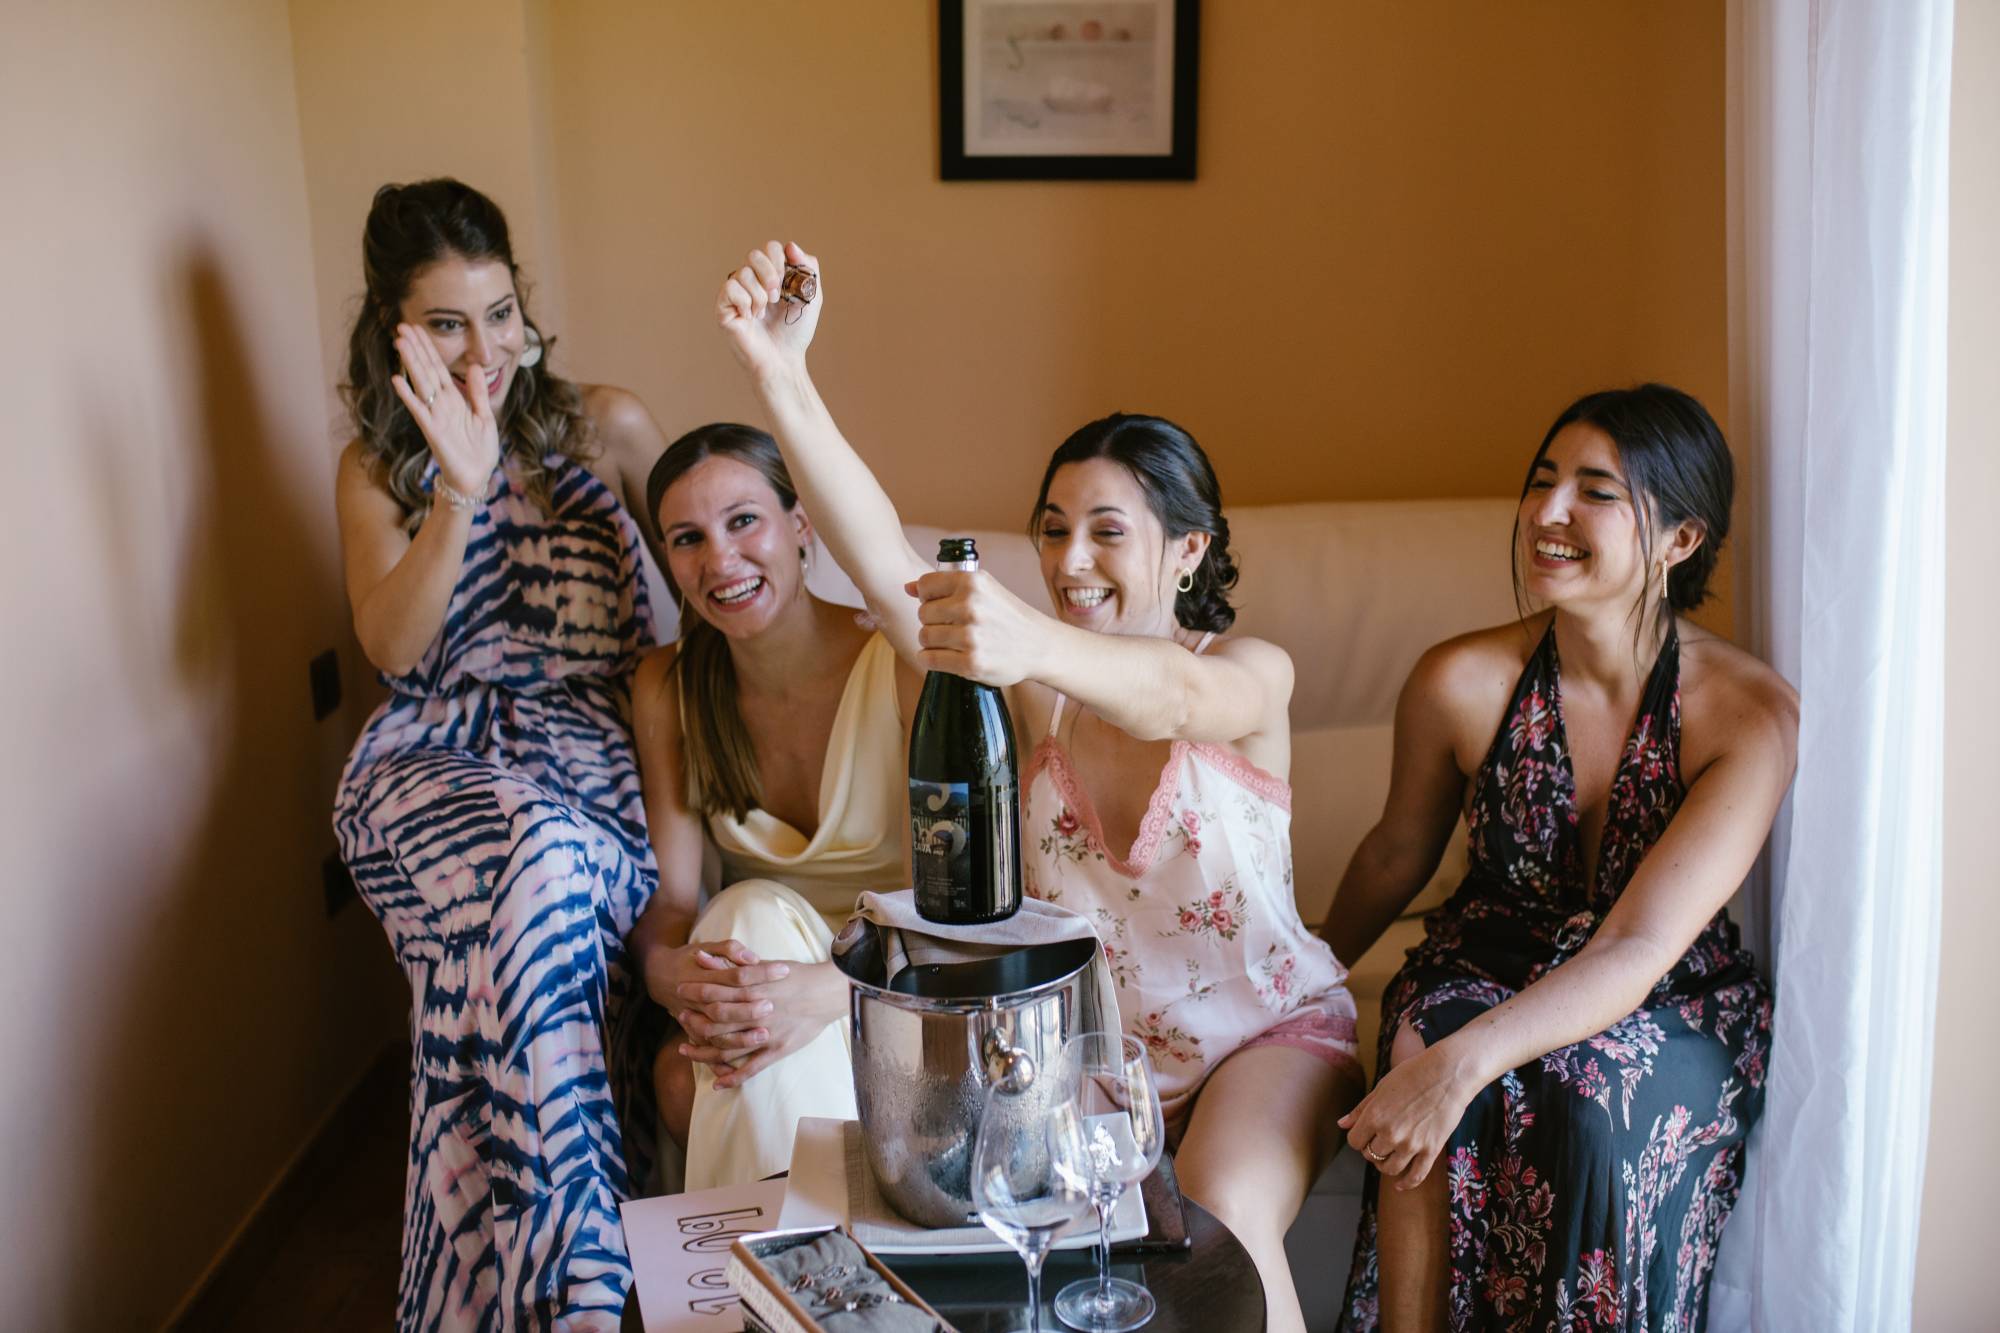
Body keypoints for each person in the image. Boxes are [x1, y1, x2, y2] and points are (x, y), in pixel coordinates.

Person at [714, 242, 1362, 1333]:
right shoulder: (1033, 704)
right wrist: (782, 375)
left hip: (1265, 1037)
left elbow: (1167, 698)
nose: (1069, 562)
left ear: (1188, 550)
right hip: (1090, 1060)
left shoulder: (1251, 679)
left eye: (1107, 532)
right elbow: (881, 564)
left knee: (1221, 1212)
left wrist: (1017, 636)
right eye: (1053, 530)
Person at [1322, 385, 1792, 1330]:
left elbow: (1637, 946)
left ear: (1680, 539)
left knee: (1585, 1096)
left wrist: (1464, 1065)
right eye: (1542, 482)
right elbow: (1395, 853)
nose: (1547, 512)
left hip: (1666, 988)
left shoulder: (1747, 715)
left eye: (1595, 491)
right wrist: (1296, 982)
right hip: (1487, 956)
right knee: (1420, 1039)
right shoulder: (1459, 680)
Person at [331, 178, 674, 1331]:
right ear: (392, 329)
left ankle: (524, 1293)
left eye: (498, 314)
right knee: (534, 859)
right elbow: (392, 647)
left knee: (541, 884)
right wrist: (459, 493)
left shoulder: (606, 425)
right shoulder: (374, 468)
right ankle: (582, 1289)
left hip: (595, 750)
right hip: (430, 759)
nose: (483, 351)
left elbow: (715, 583)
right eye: (445, 323)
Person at [628, 422, 923, 1190]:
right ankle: (821, 1253)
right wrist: (671, 974)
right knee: (744, 915)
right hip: (756, 987)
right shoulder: (667, 685)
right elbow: (671, 902)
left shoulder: (901, 664)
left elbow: (956, 903)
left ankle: (773, 1260)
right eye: (688, 538)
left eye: (743, 520)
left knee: (743, 918)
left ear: (801, 524)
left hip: (903, 985)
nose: (719, 559)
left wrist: (830, 989)